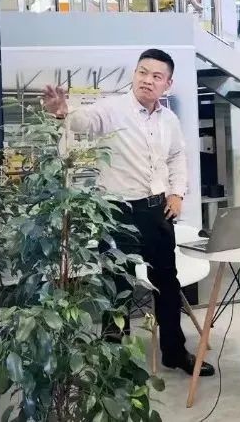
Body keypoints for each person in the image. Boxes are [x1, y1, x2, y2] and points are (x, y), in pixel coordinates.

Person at [40, 49, 214, 377]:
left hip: (157, 211)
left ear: (167, 84)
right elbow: (85, 120)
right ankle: (113, 362)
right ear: (134, 74)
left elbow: (177, 157)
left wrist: (177, 193)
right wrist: (63, 113)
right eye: (142, 72)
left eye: (156, 76)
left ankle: (174, 353)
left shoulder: (169, 119)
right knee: (116, 288)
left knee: (168, 284)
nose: (147, 80)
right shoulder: (113, 109)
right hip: (118, 213)